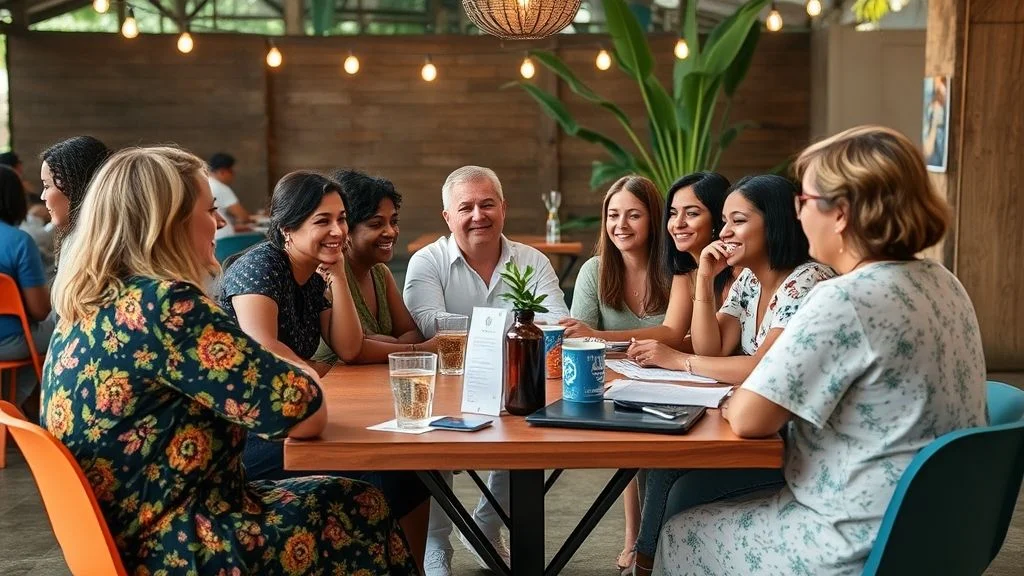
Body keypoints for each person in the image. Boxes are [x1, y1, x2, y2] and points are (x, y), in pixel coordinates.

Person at [42, 146, 418, 575]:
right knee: (360, 503)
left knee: (355, 491)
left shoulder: (86, 307)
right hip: (180, 543)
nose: (220, 223)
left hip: (119, 537)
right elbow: (306, 411)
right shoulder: (167, 306)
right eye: (210, 210)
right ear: (171, 221)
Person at [653, 126, 987, 575]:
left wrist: (737, 397)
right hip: (941, 529)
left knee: (681, 532)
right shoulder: (946, 282)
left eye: (804, 201)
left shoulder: (842, 297)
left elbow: (752, 419)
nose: (797, 213)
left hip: (855, 537)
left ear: (842, 214)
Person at [218, 170, 430, 567]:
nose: (338, 230)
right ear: (287, 228)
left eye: (342, 218)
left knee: (408, 471)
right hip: (243, 436)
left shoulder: (313, 275)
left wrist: (336, 276)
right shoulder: (260, 267)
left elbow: (348, 347)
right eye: (323, 221)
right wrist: (312, 374)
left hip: (289, 418)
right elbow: (264, 347)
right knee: (379, 475)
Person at [627, 174, 835, 574]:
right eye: (724, 221)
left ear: (774, 222)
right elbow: (713, 347)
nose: (724, 233)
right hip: (759, 431)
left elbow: (764, 368)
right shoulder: (750, 280)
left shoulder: (808, 282)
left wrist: (676, 360)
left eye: (736, 221)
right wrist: (704, 278)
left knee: (674, 476)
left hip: (789, 446)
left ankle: (646, 563)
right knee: (665, 468)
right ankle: (647, 562)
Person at [403, 165, 570, 576]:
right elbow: (431, 325)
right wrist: (514, 332)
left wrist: (469, 331)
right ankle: (436, 548)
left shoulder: (532, 260)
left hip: (518, 383)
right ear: (448, 217)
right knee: (432, 443)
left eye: (487, 204)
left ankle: (487, 527)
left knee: (530, 432)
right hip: (446, 385)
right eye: (466, 207)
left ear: (503, 208)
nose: (478, 215)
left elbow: (556, 324)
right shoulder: (428, 261)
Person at [313, 169, 433, 365]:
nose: (390, 232)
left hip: (374, 382)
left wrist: (384, 344)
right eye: (376, 224)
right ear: (346, 230)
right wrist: (415, 350)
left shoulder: (380, 273)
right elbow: (355, 349)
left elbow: (412, 333)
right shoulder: (327, 274)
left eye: (394, 222)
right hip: (333, 386)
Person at [0, 166, 52, 417]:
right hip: (8, 343)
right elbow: (40, 311)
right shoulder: (19, 241)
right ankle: (16, 406)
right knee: (63, 324)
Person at [39, 135, 111, 267]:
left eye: (47, 186)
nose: (42, 196)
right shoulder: (72, 241)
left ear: (73, 186)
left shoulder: (104, 252)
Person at [208, 152, 254, 238]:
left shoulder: (204, 184)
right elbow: (243, 217)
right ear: (222, 171)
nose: (233, 175)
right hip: (223, 239)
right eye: (231, 171)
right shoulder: (220, 187)